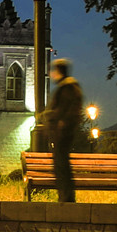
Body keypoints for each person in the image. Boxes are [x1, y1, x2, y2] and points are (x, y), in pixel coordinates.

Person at [44, 58, 84, 203]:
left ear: (59, 71)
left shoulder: (68, 87)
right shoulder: (69, 87)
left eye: (53, 71)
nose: (51, 74)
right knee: (61, 165)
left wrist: (55, 121)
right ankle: (65, 197)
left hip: (62, 134)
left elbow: (64, 111)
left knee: (62, 166)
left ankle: (66, 198)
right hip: (62, 133)